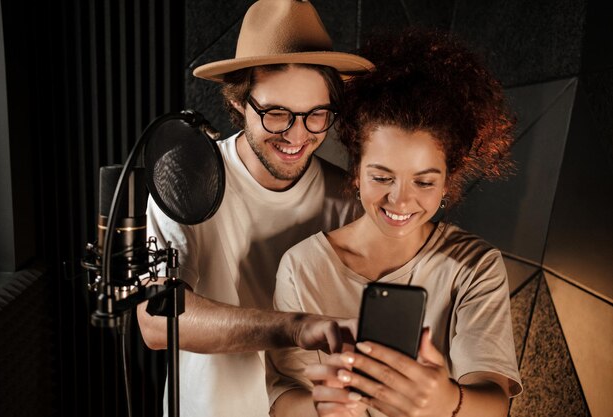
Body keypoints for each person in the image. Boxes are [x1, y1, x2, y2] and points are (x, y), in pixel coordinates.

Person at [266, 28, 523, 417]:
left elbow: (493, 401)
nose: (400, 200)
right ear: (355, 169)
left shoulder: (475, 266)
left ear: (449, 177)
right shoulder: (302, 267)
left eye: (424, 181)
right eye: (381, 178)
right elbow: (283, 398)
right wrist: (319, 408)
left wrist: (446, 400)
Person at [136, 1, 374, 416]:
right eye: (277, 113)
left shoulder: (350, 200)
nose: (297, 135)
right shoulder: (185, 178)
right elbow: (157, 322)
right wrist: (295, 328)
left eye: (316, 115)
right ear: (238, 103)